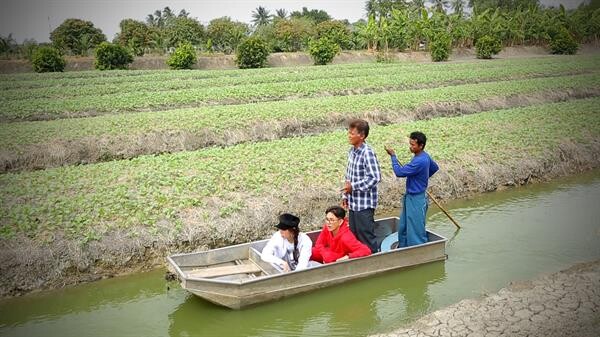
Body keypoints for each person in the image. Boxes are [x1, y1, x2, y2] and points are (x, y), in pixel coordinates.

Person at [385, 131, 439, 247]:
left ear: (421, 146)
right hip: (410, 197)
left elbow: (399, 172)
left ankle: (418, 251)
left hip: (417, 199)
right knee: (404, 225)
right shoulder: (423, 156)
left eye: (413, 145)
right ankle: (404, 247)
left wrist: (393, 157)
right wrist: (421, 178)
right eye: (410, 144)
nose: (411, 147)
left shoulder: (420, 161)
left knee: (416, 229)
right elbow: (434, 168)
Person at [342, 119, 381, 253]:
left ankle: (374, 260)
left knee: (366, 236)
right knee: (354, 236)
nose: (349, 135)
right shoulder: (351, 151)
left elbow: (374, 177)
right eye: (349, 132)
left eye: (352, 133)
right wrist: (345, 195)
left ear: (362, 136)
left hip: (364, 205)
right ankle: (360, 260)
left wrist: (353, 186)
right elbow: (348, 176)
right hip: (354, 203)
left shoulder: (367, 152)